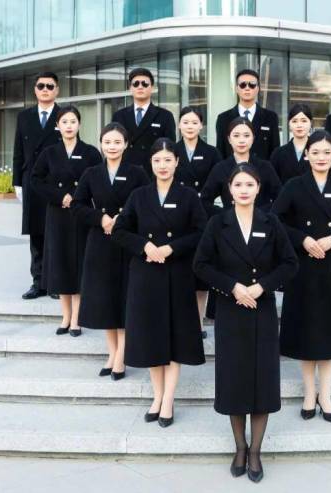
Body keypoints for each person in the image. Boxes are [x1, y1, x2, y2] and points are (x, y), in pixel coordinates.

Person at [193, 164, 298, 483]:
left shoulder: (271, 222)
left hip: (262, 310)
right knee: (235, 378)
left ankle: (255, 451)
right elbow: (201, 264)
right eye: (238, 184)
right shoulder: (218, 223)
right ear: (229, 189)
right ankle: (240, 447)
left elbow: (290, 263)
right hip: (230, 310)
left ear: (258, 188)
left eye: (249, 184)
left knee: (262, 379)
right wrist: (233, 287)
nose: (243, 190)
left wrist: (262, 286)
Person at [271, 130, 331, 423]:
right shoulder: (294, 185)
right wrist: (302, 239)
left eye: (327, 152)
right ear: (306, 155)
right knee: (306, 331)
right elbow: (275, 219)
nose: (321, 157)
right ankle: (308, 392)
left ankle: (325, 394)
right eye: (315, 152)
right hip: (302, 267)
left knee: (329, 332)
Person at [111, 138, 206, 428]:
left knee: (175, 338)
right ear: (150, 164)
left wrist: (172, 248)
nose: (162, 165)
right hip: (146, 275)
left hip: (177, 274)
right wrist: (144, 246)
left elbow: (201, 232)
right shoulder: (139, 195)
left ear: (177, 162)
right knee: (152, 336)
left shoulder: (188, 196)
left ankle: (168, 399)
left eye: (167, 160)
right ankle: (157, 395)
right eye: (157, 160)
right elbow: (120, 230)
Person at [72, 122, 149, 379]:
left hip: (128, 243)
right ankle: (113, 352)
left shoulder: (137, 172)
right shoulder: (91, 173)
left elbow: (145, 203)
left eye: (117, 142)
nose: (112, 146)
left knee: (124, 298)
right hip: (100, 243)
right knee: (106, 299)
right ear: (101, 144)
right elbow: (77, 205)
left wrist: (121, 219)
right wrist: (100, 218)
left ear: (126, 144)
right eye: (107, 142)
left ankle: (121, 356)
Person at [30, 106, 102, 336]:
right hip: (58, 214)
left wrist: (77, 197)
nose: (69, 126)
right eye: (64, 122)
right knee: (60, 263)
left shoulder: (90, 152)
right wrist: (59, 196)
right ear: (57, 126)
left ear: (79, 124)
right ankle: (65, 316)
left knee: (78, 263)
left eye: (73, 121)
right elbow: (36, 180)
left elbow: (97, 180)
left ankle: (77, 319)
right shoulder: (49, 153)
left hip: (81, 215)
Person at [174, 106, 223, 338]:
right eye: (186, 122)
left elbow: (219, 183)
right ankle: (182, 320)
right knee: (181, 269)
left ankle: (199, 322)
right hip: (177, 215)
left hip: (204, 214)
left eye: (194, 122)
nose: (190, 126)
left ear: (201, 125)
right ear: (179, 125)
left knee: (201, 271)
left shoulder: (211, 152)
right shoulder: (171, 150)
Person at [12, 71, 62, 300]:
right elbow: (18, 151)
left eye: (50, 86)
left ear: (56, 90)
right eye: (41, 86)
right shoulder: (24, 116)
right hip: (31, 181)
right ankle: (38, 282)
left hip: (55, 182)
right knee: (36, 234)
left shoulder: (64, 115)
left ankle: (55, 282)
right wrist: (17, 183)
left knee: (55, 233)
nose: (45, 90)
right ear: (35, 90)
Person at [201, 117, 281, 216]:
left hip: (260, 221)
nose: (241, 140)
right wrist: (225, 215)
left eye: (246, 135)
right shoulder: (220, 168)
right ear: (229, 139)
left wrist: (261, 214)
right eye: (236, 136)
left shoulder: (265, 167)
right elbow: (204, 200)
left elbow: (280, 198)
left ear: (253, 139)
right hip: (230, 223)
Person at [111, 67, 176, 173]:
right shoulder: (119, 116)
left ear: (152, 88)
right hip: (125, 172)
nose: (140, 87)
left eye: (145, 84)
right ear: (130, 88)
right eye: (136, 84)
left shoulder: (165, 116)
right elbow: (113, 145)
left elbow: (170, 149)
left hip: (153, 173)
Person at [215, 69, 280, 160]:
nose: (247, 88)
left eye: (252, 85)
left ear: (258, 89)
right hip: (233, 168)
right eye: (242, 85)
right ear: (236, 89)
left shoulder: (271, 117)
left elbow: (275, 153)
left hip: (261, 168)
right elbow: (220, 153)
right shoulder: (223, 119)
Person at [270, 103, 312, 184]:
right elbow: (272, 183)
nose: (299, 125)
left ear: (310, 123)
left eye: (304, 121)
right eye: (294, 121)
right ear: (289, 124)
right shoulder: (278, 153)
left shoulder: (319, 152)